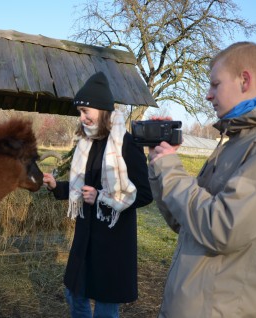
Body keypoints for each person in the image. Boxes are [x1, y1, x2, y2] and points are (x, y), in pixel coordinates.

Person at [148, 41, 256, 317]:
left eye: (215, 84)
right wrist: (158, 164)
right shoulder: (232, 144)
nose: (208, 95)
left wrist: (171, 169)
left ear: (245, 80)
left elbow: (222, 228)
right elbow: (182, 221)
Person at [43, 72, 152, 318]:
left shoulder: (126, 144)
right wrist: (55, 186)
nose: (81, 118)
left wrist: (103, 197)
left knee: (105, 306)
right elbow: (83, 186)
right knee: (74, 293)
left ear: (102, 110)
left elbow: (145, 194)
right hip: (87, 235)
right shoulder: (87, 142)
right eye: (80, 112)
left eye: (85, 111)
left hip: (113, 241)